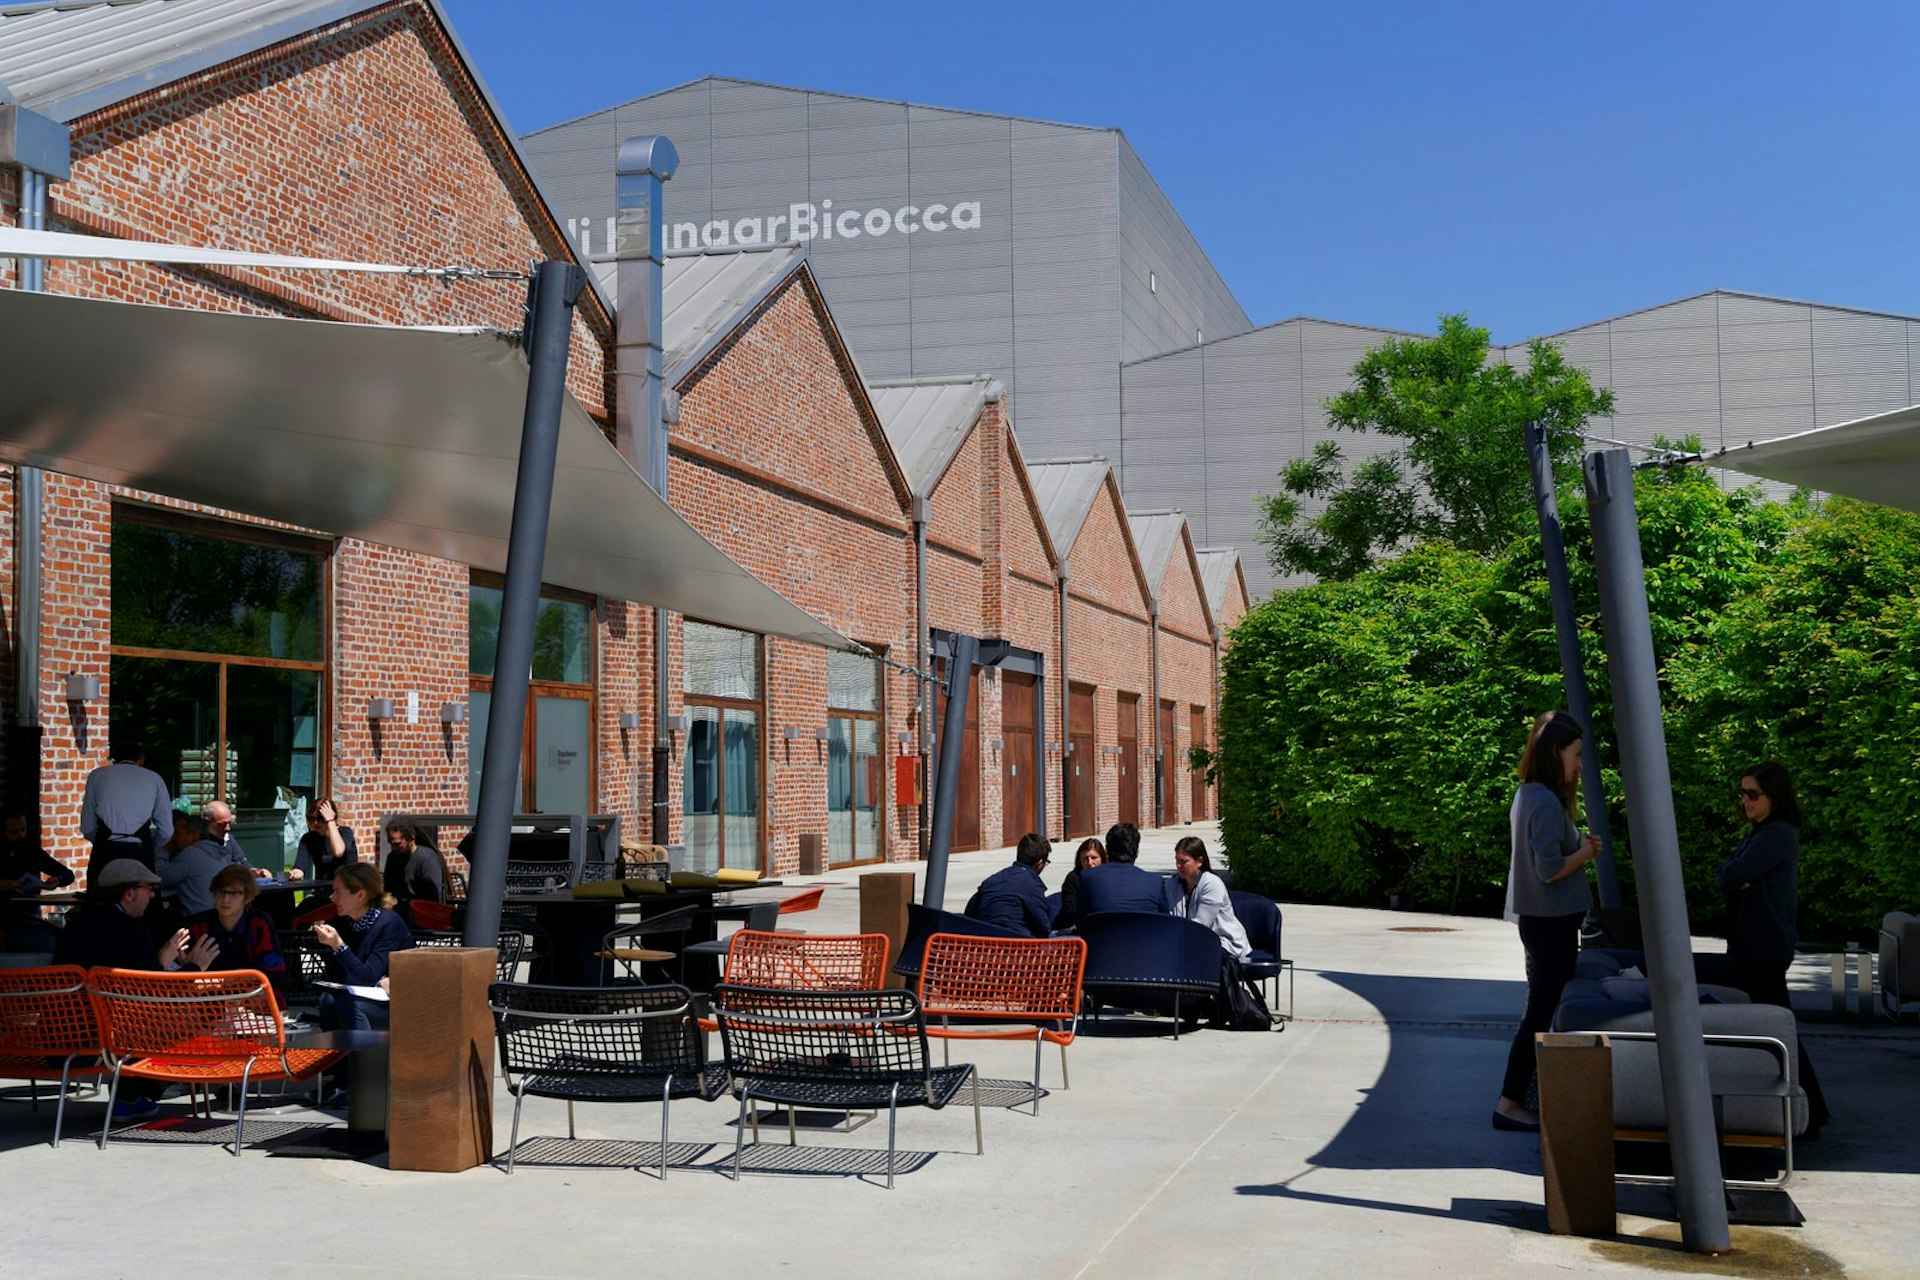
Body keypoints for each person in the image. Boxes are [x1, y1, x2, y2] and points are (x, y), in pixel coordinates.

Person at [1494, 711, 1600, 1132]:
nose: (1578, 763)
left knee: (1540, 1012)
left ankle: (1519, 1099)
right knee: (1539, 1014)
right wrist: (1585, 853)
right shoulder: (1541, 799)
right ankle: (1509, 1103)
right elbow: (1549, 868)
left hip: (1548, 922)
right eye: (1575, 754)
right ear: (1555, 752)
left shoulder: (1532, 794)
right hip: (1549, 924)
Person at [1718, 761, 1830, 1134]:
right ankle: (1809, 1111)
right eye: (1743, 793)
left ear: (1774, 796)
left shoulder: (1776, 834)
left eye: (1753, 794)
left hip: (1764, 947)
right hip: (1756, 944)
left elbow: (1732, 874)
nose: (1745, 801)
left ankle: (1811, 1112)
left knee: (1779, 1030)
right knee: (1775, 1027)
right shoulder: (1760, 832)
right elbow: (1729, 875)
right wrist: (1736, 878)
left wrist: (1738, 879)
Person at [53, 858, 204, 972]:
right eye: (149, 888)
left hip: (72, 1011)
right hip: (114, 1012)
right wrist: (194, 966)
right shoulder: (132, 930)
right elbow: (153, 989)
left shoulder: (74, 925)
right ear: (130, 894)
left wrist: (161, 961)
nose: (152, 895)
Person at [314, 863, 412, 1030]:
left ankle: (364, 1056)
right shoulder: (344, 922)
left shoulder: (388, 924)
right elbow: (341, 975)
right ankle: (338, 1056)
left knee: (349, 1005)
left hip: (397, 1002)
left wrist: (339, 946)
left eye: (338, 892)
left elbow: (367, 976)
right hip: (364, 992)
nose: (332, 897)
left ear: (360, 895)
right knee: (327, 1000)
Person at [182, 864, 287, 995]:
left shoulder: (259, 923)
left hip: (254, 1003)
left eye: (234, 893)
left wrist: (222, 981)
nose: (225, 899)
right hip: (208, 1006)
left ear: (247, 897)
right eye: (221, 891)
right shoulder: (198, 926)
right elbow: (180, 979)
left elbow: (276, 973)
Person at [79, 744, 172, 879]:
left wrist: (103, 842)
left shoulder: (97, 776)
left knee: (101, 897)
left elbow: (87, 827)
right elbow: (166, 830)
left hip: (105, 851)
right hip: (140, 851)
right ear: (141, 759)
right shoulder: (154, 779)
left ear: (114, 759)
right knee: (142, 896)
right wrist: (150, 848)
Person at [1, 809, 74, 952]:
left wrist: (57, 880)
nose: (21, 835)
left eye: (23, 830)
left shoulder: (30, 850)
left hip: (27, 916)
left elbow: (67, 874)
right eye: (14, 832)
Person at [1170, 836, 1250, 961]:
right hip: (1190, 941)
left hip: (1224, 943)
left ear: (1199, 861)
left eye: (1184, 861)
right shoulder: (1173, 884)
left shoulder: (1211, 883)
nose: (1179, 865)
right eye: (1177, 861)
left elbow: (1201, 925)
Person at [964, 832, 1053, 937]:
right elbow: (1043, 928)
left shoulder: (992, 880)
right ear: (1039, 863)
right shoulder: (1032, 886)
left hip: (984, 942)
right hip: (1015, 945)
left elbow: (969, 913)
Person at [1078, 821, 1170, 916]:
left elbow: (1080, 918)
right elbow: (1166, 921)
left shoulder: (1088, 877)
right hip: (1142, 930)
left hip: (1103, 930)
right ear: (1137, 852)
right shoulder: (1155, 882)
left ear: (1106, 851)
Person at [157, 812, 240, 916]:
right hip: (219, 918)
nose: (173, 838)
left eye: (177, 833)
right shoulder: (220, 853)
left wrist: (163, 851)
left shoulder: (190, 855)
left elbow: (159, 880)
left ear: (194, 835)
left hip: (197, 920)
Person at [289, 797, 357, 882]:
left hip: (347, 888)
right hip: (322, 889)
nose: (316, 822)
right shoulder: (308, 838)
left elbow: (338, 851)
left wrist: (330, 821)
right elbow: (300, 867)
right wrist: (294, 874)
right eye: (312, 819)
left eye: (321, 818)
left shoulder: (345, 832)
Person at [384, 821, 447, 907]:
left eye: (398, 844)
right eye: (391, 844)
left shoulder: (427, 860)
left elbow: (431, 898)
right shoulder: (392, 858)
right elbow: (388, 889)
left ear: (411, 839)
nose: (393, 848)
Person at [1054, 837, 1104, 931]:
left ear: (1102, 859)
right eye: (1085, 858)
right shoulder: (1073, 878)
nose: (1089, 863)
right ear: (1079, 860)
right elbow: (1069, 910)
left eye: (1094, 858)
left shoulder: (1107, 878)